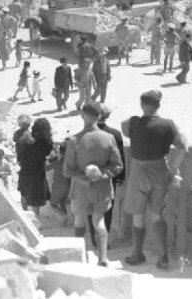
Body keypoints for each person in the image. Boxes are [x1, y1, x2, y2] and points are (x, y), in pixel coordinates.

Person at [120, 90, 187, 269]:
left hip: (139, 170)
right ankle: (164, 256)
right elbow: (182, 147)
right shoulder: (169, 125)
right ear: (158, 105)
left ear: (142, 105)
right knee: (157, 214)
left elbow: (123, 126)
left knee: (138, 214)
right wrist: (173, 168)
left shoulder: (132, 123)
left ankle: (137, 253)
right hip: (160, 170)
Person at [64, 104, 123, 266]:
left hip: (80, 189)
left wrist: (85, 178)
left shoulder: (74, 140)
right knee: (99, 221)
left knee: (79, 221)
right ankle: (102, 257)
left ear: (83, 116)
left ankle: (78, 258)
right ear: (99, 117)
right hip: (102, 188)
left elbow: (68, 170)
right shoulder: (109, 138)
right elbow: (118, 166)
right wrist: (101, 175)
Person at [94, 104, 126, 244]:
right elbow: (120, 158)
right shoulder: (115, 134)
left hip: (91, 176)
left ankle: (95, 239)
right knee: (107, 209)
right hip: (109, 176)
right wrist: (121, 176)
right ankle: (104, 240)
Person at [17, 117, 55, 216]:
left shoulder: (26, 139)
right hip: (37, 172)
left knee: (24, 193)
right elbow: (53, 155)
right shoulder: (47, 142)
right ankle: (36, 218)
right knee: (36, 197)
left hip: (25, 170)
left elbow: (20, 156)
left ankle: (24, 216)